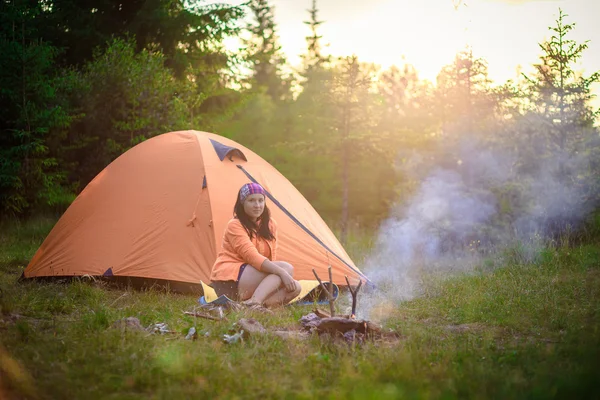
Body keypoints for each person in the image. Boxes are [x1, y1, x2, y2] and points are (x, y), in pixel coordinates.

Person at [209, 182, 301, 308]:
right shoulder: (235, 225)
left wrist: (277, 277)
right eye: (251, 200)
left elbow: (271, 258)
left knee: (296, 288)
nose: (257, 205)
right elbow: (252, 257)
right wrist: (282, 273)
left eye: (260, 200)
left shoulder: (270, 224)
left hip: (251, 278)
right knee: (286, 268)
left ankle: (250, 307)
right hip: (229, 280)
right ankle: (255, 301)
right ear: (242, 203)